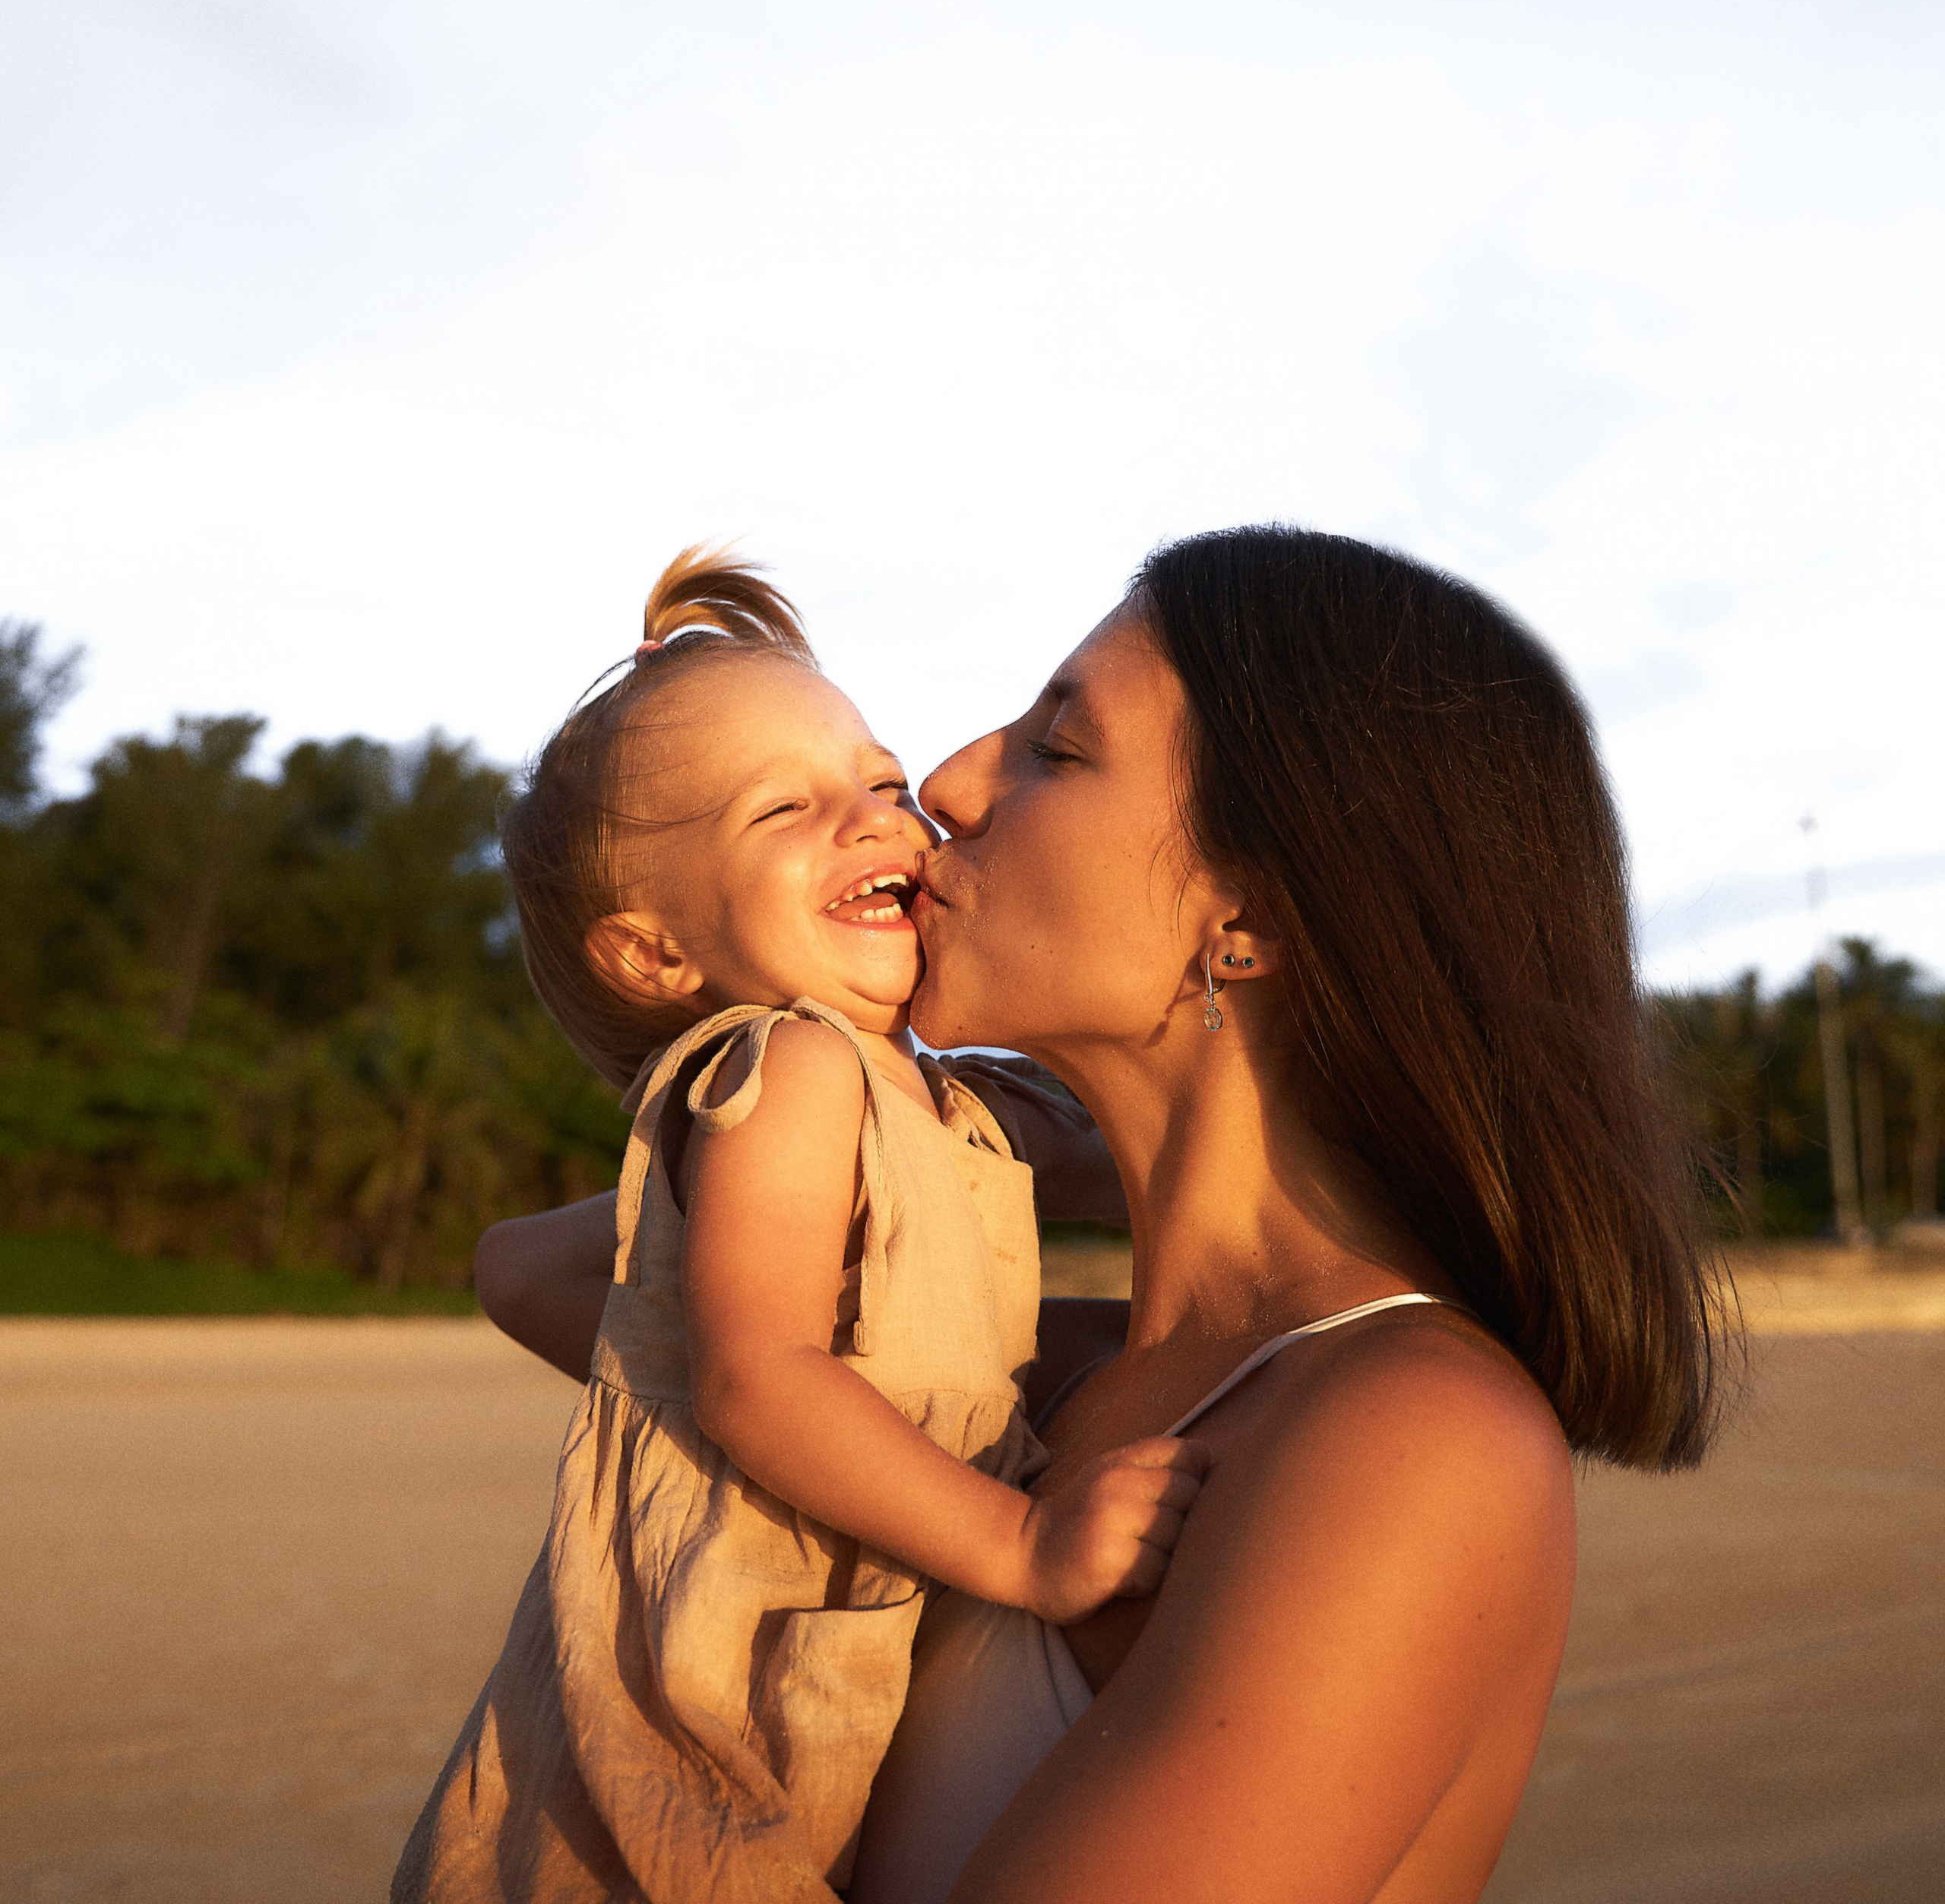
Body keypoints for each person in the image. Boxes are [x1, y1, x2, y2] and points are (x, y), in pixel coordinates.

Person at [477, 525, 1735, 1903]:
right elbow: (532, 1271)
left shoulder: (1408, 1444)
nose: (944, 786)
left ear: (1249, 917)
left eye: (1057, 750)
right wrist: (867, 1127)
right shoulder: (1009, 1379)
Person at [393, 548, 1204, 1904]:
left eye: (881, 783)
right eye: (785, 808)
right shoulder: (794, 1065)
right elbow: (757, 1380)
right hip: (690, 1753)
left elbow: (1141, 1159)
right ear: (656, 952)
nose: (875, 821)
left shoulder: (941, 1105)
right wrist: (1019, 1545)